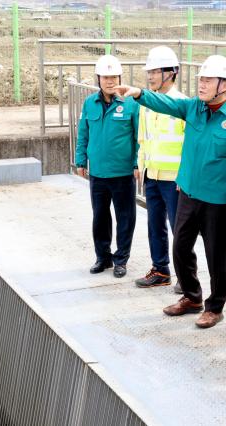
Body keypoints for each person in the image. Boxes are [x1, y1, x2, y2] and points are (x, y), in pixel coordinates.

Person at [115, 55, 226, 329]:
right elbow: (166, 103)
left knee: (216, 256)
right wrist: (139, 93)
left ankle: (215, 307)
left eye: (208, 80)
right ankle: (192, 297)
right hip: (187, 192)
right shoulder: (193, 109)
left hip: (217, 200)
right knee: (180, 247)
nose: (201, 85)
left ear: (224, 85)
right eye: (200, 79)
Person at [75, 54, 139, 278]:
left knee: (125, 217)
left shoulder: (131, 103)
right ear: (98, 79)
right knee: (100, 217)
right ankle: (103, 257)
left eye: (114, 77)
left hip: (122, 172)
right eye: (105, 77)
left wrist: (137, 163)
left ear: (120, 78)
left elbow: (139, 136)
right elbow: (83, 133)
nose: (110, 81)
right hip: (98, 173)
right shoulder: (89, 103)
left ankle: (121, 259)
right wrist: (80, 160)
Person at [133, 46, 187, 293]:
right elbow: (143, 138)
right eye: (150, 71)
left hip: (174, 180)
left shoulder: (182, 104)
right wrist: (140, 164)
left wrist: (184, 177)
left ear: (171, 73)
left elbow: (190, 147)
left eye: (155, 71)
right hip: (151, 175)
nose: (151, 76)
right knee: (155, 226)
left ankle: (186, 277)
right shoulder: (146, 104)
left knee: (180, 231)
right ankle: (160, 270)